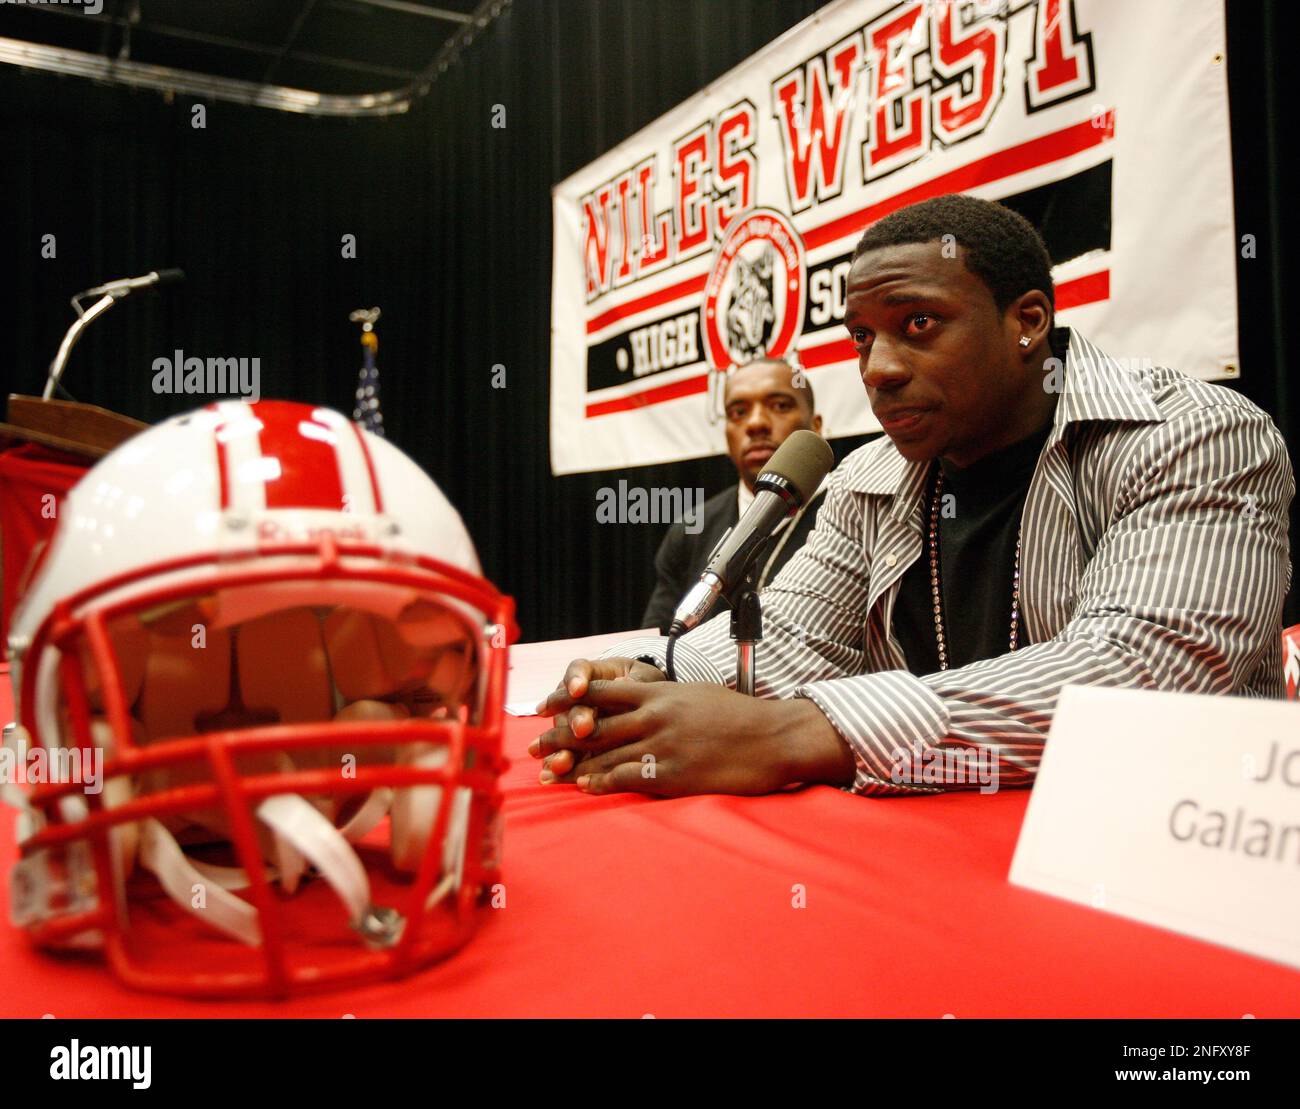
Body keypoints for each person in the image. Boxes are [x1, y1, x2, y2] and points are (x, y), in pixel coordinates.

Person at [532, 194, 1295, 799]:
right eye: (862, 336)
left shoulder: (1193, 435)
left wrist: (794, 734)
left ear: (1027, 321)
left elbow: (1139, 672)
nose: (878, 369)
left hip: (1162, 854)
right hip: (947, 855)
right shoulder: (871, 475)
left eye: (918, 324)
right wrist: (652, 678)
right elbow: (799, 636)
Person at [640, 356, 826, 633]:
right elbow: (654, 640)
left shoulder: (852, 511)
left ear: (816, 427)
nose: (756, 423)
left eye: (779, 406)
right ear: (726, 436)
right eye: (738, 412)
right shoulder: (691, 529)